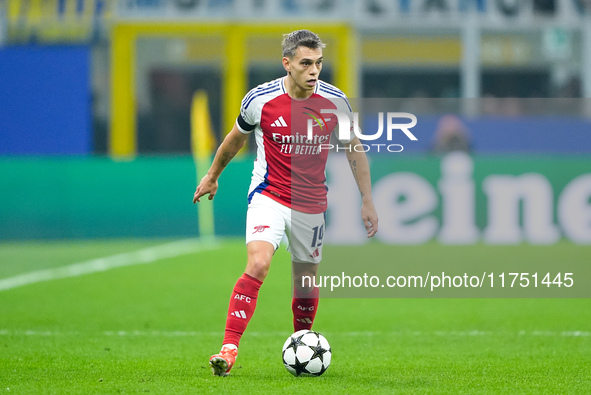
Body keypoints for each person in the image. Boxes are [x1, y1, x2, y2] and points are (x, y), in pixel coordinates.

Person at [193, 29, 378, 377]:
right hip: (269, 196)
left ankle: (300, 341)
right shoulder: (260, 100)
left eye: (319, 63)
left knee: (305, 282)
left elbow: (354, 148)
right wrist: (213, 174)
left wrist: (367, 199)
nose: (314, 71)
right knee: (259, 263)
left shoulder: (335, 101)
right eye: (306, 63)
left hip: (311, 204)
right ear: (287, 63)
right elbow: (234, 141)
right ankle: (228, 349)